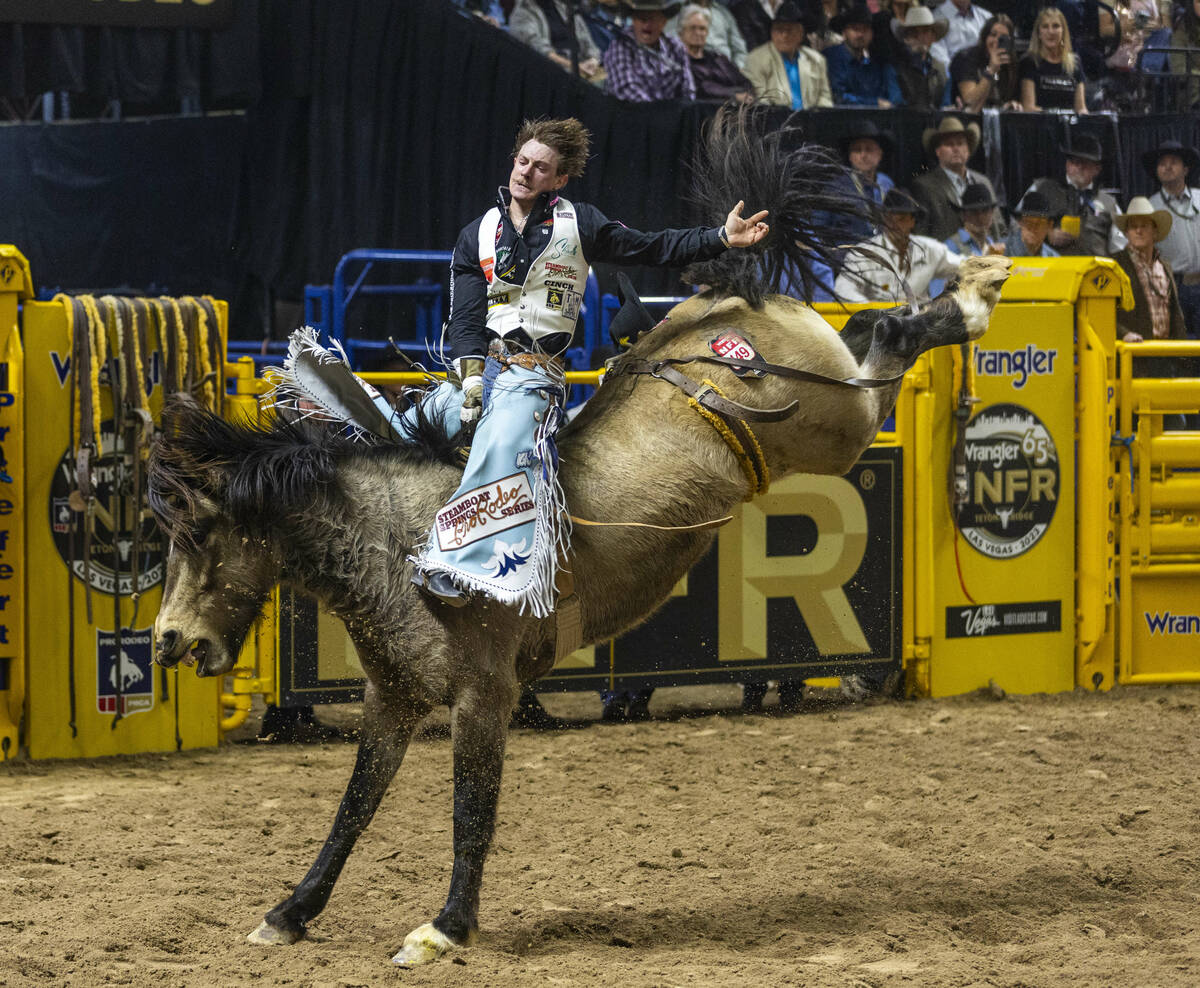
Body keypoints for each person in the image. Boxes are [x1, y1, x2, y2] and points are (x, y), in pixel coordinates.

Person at [412, 118, 770, 609]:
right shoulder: (476, 234)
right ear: (512, 161)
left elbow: (652, 246)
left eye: (541, 168)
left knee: (500, 441)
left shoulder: (580, 222)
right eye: (523, 161)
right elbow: (466, 318)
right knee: (415, 421)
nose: (526, 172)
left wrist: (721, 237)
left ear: (559, 180)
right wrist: (471, 380)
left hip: (533, 378)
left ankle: (449, 563)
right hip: (482, 372)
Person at [1111, 196, 1192, 429]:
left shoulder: (1164, 266)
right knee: (1134, 426)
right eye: (1132, 226)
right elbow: (1106, 313)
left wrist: (1181, 354)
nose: (1137, 230)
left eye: (1143, 225)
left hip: (1164, 358)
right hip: (1134, 360)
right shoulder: (1115, 266)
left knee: (1170, 425)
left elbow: (1174, 313)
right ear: (1126, 232)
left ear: (1154, 232)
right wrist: (1123, 333)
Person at [834, 187, 962, 303]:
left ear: (912, 221)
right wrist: (873, 310)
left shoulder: (929, 250)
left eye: (901, 219)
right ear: (883, 220)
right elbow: (843, 289)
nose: (893, 225)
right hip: (876, 323)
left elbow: (967, 267)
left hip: (919, 323)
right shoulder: (863, 253)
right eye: (889, 219)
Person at [1023, 131, 1123, 256]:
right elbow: (1018, 228)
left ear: (1097, 169)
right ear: (1067, 164)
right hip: (1054, 270)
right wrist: (1047, 235)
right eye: (1076, 162)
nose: (1080, 167)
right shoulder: (1042, 188)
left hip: (1095, 272)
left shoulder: (1108, 202)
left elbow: (1120, 245)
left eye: (1086, 163)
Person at [911, 116, 1003, 243]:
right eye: (949, 144)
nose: (956, 148)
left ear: (968, 150)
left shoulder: (983, 182)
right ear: (938, 151)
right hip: (945, 258)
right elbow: (921, 234)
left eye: (960, 143)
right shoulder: (924, 186)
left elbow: (999, 226)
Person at [1146, 140, 1200, 338]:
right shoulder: (1150, 207)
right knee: (1179, 345)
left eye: (1173, 162)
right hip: (1172, 287)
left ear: (1186, 169)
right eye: (1162, 163)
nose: (1167, 167)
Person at [743, 0, 833, 107]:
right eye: (779, 30)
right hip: (775, 120)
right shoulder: (756, 59)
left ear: (801, 34)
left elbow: (824, 98)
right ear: (772, 32)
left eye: (790, 30)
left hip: (811, 120)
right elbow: (761, 101)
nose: (784, 36)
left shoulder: (816, 60)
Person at [604, 0, 696, 101]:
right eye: (642, 18)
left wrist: (683, 111)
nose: (647, 24)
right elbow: (627, 91)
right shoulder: (620, 46)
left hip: (675, 112)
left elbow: (688, 89)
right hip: (634, 113)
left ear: (663, 22)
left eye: (653, 18)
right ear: (633, 20)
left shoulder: (675, 47)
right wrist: (661, 114)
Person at [824, 3, 905, 106]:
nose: (860, 34)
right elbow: (837, 96)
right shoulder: (833, 57)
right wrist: (875, 103)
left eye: (865, 29)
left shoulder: (871, 64)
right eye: (855, 29)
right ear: (844, 33)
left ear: (872, 33)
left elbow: (879, 93)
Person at [510, 0, 605, 81]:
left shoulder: (564, 6)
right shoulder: (523, 11)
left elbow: (586, 40)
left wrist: (593, 60)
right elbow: (538, 50)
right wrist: (574, 66)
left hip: (582, 68)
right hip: (551, 74)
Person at [677, 3, 754, 100]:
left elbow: (746, 83)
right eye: (693, 28)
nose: (698, 33)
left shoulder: (718, 58)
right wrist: (735, 96)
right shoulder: (678, 60)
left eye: (702, 29)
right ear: (681, 32)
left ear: (707, 32)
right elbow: (703, 89)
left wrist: (745, 95)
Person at [1018, 6, 1086, 113]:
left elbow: (1081, 108)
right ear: (1039, 33)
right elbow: (1028, 108)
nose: (1051, 32)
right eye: (1045, 26)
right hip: (1040, 125)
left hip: (1069, 127)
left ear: (1063, 31)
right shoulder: (1029, 61)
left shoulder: (1075, 62)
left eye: (1056, 26)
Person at [951, 14, 1021, 111]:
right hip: (966, 119)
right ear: (985, 37)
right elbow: (970, 102)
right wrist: (991, 70)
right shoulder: (966, 58)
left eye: (1003, 38)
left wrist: (1010, 105)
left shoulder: (1010, 64)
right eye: (993, 35)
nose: (996, 41)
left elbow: (1004, 100)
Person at [892, 5, 951, 110]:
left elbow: (945, 103)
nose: (920, 37)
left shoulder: (940, 68)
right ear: (906, 38)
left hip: (936, 122)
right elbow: (898, 103)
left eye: (925, 31)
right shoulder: (896, 68)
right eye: (914, 32)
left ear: (933, 37)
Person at [668, 0, 749, 67]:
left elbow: (739, 48)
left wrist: (737, 69)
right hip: (701, 72)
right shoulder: (679, 16)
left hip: (730, 70)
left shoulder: (723, 12)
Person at [945, 182, 1006, 257]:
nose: (980, 217)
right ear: (963, 215)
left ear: (992, 213)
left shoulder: (990, 242)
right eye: (973, 212)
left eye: (985, 211)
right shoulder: (950, 247)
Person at [929, 0, 994, 68]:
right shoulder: (935, 20)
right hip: (956, 75)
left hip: (987, 72)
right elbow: (940, 60)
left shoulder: (986, 17)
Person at [1004, 191, 1061, 257]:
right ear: (1020, 222)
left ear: (1049, 225)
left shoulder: (1053, 258)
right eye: (1028, 222)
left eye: (1039, 223)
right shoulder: (1002, 251)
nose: (1033, 228)